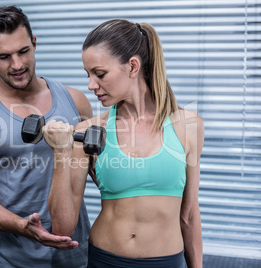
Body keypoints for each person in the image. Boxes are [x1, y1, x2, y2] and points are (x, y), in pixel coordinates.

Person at [43, 19, 204, 268]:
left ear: (132, 66)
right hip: (105, 259)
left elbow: (190, 215)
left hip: (167, 262)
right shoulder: (88, 131)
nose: (91, 85)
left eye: (100, 74)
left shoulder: (188, 126)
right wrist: (60, 153)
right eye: (88, 75)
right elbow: (63, 226)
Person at [0, 6, 92, 267]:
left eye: (23, 51)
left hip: (74, 255)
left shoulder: (76, 101)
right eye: (4, 56)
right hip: (12, 259)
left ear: (34, 43)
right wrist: (22, 226)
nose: (17, 65)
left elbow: (97, 170)